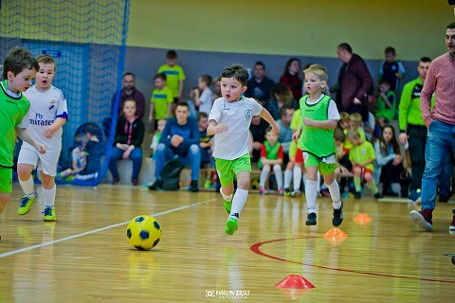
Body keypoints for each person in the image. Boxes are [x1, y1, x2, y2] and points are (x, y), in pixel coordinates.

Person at [207, 64, 279, 235]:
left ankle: (234, 217)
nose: (227, 89)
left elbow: (263, 112)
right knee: (227, 190)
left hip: (241, 154)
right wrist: (215, 129)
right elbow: (209, 127)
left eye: (233, 86)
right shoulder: (219, 104)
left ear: (243, 89)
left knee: (244, 182)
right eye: (224, 85)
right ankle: (226, 197)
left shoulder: (249, 104)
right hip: (222, 156)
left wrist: (274, 126)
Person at [409, 22, 455, 232]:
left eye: (454, 37)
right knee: (430, 170)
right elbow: (425, 94)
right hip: (439, 127)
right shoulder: (437, 64)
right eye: (447, 37)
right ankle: (426, 212)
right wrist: (429, 120)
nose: (450, 41)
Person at [17, 54, 67, 222]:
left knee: (46, 178)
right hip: (31, 140)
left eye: (49, 72)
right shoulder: (26, 93)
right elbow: (19, 116)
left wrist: (52, 128)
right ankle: (30, 195)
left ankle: (49, 207)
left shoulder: (57, 94)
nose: (45, 75)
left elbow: (62, 116)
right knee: (22, 170)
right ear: (35, 73)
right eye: (42, 71)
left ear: (54, 74)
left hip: (50, 144)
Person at [0, 47, 45, 237]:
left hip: (5, 155)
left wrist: (35, 142)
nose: (30, 83)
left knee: (4, 197)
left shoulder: (24, 103)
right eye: (27, 78)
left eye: (32, 79)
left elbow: (21, 128)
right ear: (10, 75)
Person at [292, 64, 343, 226]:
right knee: (311, 175)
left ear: (322, 84)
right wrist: (299, 130)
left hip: (326, 149)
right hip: (308, 146)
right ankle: (311, 211)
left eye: (312, 80)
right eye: (306, 80)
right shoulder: (302, 101)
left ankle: (337, 206)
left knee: (329, 180)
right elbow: (304, 119)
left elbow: (334, 123)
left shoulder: (328, 102)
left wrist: (314, 123)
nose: (308, 83)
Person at [398, 56, 432, 203]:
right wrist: (402, 130)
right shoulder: (409, 87)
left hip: (432, 129)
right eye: (422, 67)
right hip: (414, 130)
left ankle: (429, 192)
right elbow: (403, 108)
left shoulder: (437, 87)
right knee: (417, 160)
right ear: (418, 68)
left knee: (430, 161)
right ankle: (416, 189)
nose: (425, 71)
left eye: (427, 67)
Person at [148, 101, 201, 192]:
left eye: (184, 112)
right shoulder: (170, 121)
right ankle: (158, 180)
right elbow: (162, 139)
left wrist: (182, 140)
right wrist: (171, 141)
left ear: (188, 113)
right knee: (160, 146)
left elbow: (196, 140)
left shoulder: (192, 122)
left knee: (195, 148)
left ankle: (194, 181)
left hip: (185, 156)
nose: (181, 114)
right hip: (172, 154)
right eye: (179, 111)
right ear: (175, 112)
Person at [108, 99, 145, 186]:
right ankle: (115, 176)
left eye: (132, 108)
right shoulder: (119, 121)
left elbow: (140, 139)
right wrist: (118, 144)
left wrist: (130, 149)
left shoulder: (139, 122)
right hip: (120, 146)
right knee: (110, 156)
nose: (129, 110)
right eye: (127, 107)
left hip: (134, 146)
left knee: (137, 156)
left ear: (135, 109)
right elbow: (114, 135)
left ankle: (134, 177)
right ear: (123, 109)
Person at [334, 43, 374, 122]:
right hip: (345, 103)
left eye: (339, 53)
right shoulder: (346, 66)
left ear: (344, 52)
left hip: (355, 104)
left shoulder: (358, 63)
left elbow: (368, 81)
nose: (338, 56)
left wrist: (358, 96)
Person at [373, 125, 409, 197]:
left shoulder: (393, 144)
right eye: (385, 133)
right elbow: (379, 162)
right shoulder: (378, 144)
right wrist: (393, 156)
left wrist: (399, 159)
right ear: (382, 133)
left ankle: (404, 187)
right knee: (392, 163)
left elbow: (397, 157)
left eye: (389, 133)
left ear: (393, 135)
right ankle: (386, 187)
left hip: (391, 169)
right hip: (380, 170)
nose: (387, 135)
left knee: (399, 164)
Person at [347, 129, 383, 199]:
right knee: (357, 171)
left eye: (351, 141)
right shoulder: (353, 148)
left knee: (368, 176)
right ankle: (358, 191)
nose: (351, 143)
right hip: (357, 166)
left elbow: (373, 158)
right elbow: (351, 158)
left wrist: (364, 164)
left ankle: (376, 192)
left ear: (357, 137)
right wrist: (353, 163)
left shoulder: (368, 145)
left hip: (367, 166)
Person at [258, 126, 284, 195]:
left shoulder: (279, 146)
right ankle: (261, 187)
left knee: (277, 167)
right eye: (269, 135)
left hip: (274, 164)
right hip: (265, 165)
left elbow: (280, 161)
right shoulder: (264, 145)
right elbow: (263, 160)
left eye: (273, 135)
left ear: (277, 136)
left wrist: (269, 161)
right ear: (266, 136)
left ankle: (280, 187)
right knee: (266, 167)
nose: (271, 137)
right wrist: (273, 162)